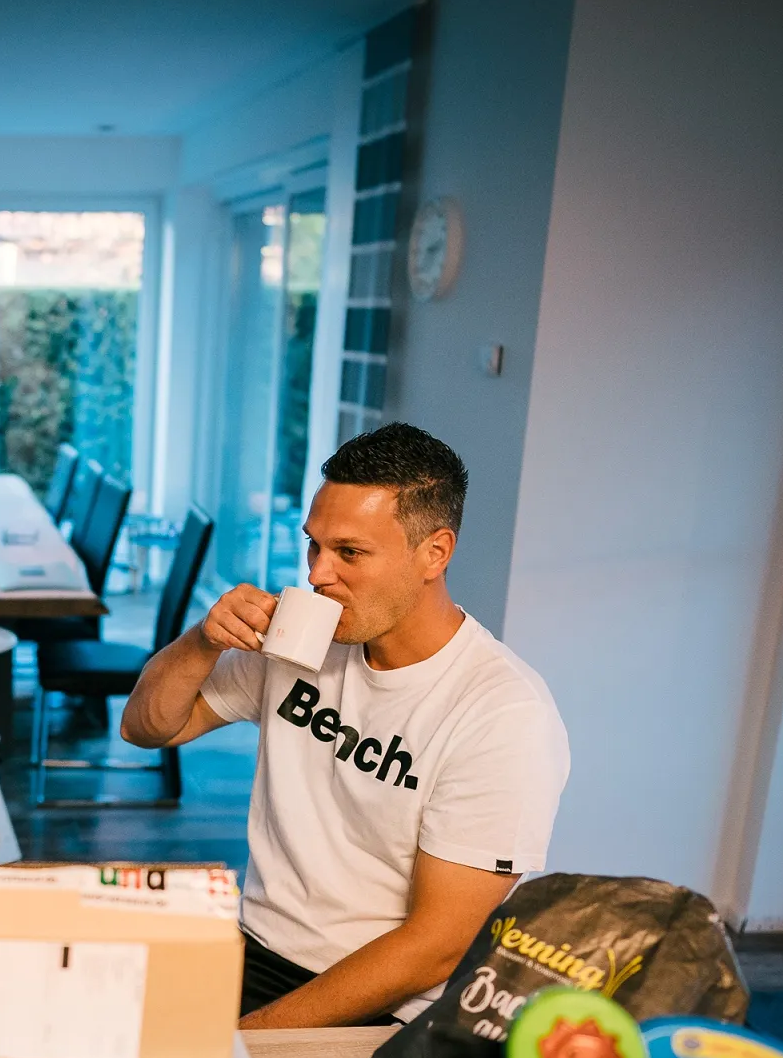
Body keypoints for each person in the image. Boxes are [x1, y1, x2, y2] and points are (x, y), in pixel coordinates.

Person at [121, 424, 569, 1027]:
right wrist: (203, 641)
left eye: (349, 553)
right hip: (253, 948)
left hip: (381, 1004)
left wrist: (248, 1040)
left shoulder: (503, 714)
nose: (317, 574)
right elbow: (147, 729)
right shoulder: (305, 638)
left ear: (435, 553)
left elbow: (436, 947)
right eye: (314, 546)